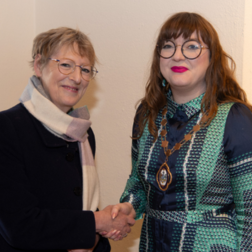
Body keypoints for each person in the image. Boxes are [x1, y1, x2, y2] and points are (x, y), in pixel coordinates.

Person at [111, 12, 252, 251]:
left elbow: (249, 211)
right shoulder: (146, 115)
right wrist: (129, 206)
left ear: (212, 57)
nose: (177, 55)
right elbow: (138, 181)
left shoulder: (235, 118)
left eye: (192, 46)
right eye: (168, 46)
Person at [0, 27, 135, 252]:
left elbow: (80, 209)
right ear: (38, 65)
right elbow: (19, 227)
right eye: (65, 65)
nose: (76, 77)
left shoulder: (82, 132)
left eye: (85, 69)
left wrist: (106, 225)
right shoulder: (7, 128)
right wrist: (99, 222)